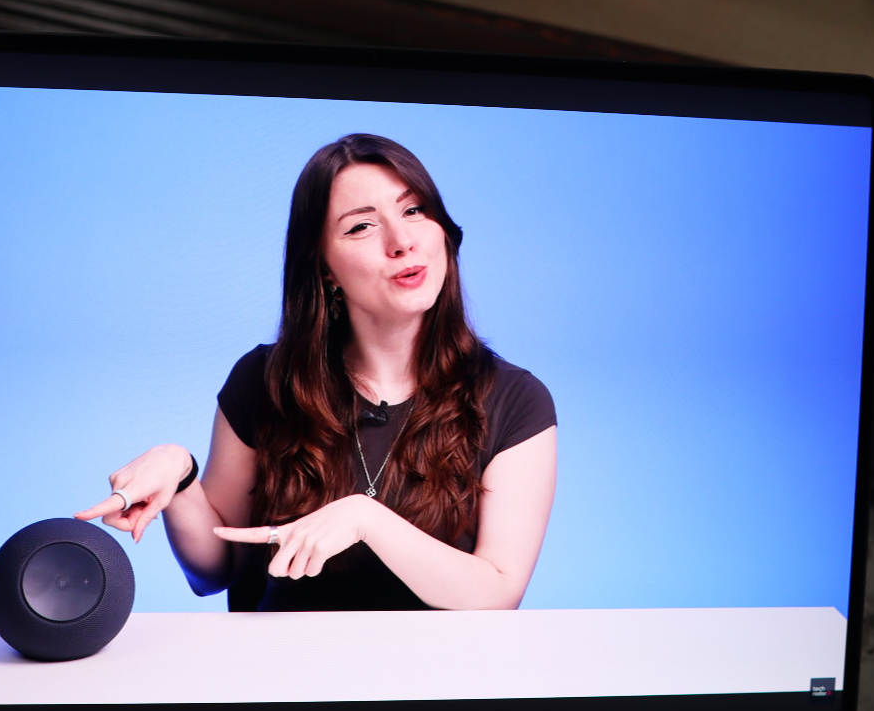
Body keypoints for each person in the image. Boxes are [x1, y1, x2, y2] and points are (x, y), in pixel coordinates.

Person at [76, 134, 556, 610]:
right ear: (324, 268)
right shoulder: (263, 380)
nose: (403, 242)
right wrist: (181, 478)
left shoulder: (515, 399)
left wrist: (366, 520)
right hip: (281, 659)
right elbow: (216, 571)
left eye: (414, 210)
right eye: (362, 226)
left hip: (438, 663)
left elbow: (498, 593)